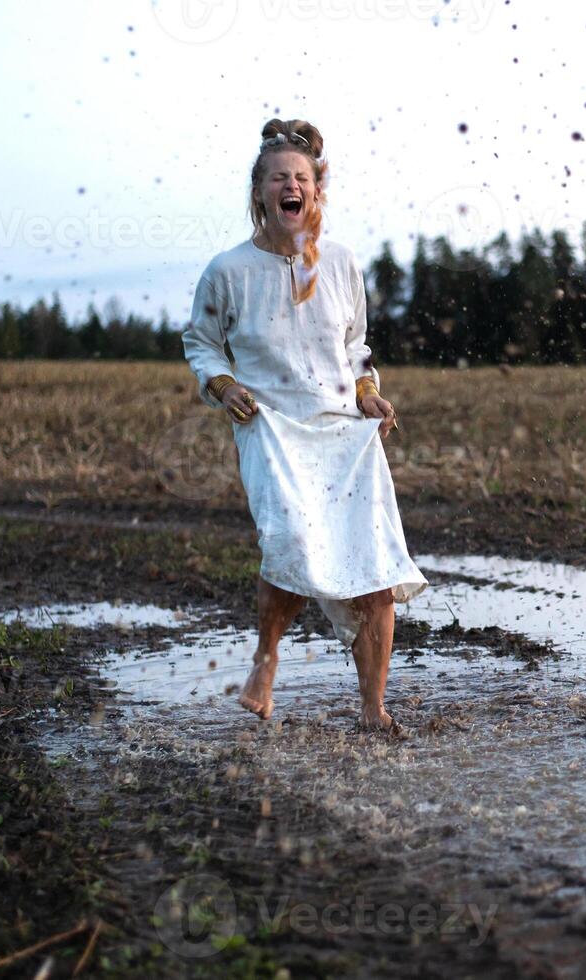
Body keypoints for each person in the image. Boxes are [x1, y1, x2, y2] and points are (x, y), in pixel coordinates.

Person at [182, 118, 427, 734]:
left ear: (317, 191)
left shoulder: (342, 264)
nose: (291, 186)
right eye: (277, 178)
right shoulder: (226, 271)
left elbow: (356, 345)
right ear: (259, 193)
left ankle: (373, 710)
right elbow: (202, 343)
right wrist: (222, 384)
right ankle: (266, 662)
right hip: (270, 429)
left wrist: (369, 392)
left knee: (373, 569)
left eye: (301, 177)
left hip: (344, 435)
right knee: (291, 543)